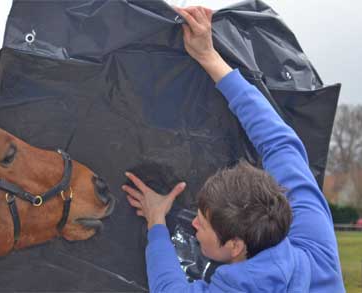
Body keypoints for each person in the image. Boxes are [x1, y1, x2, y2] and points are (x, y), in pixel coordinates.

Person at [122, 6, 344, 292]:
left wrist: (156, 224)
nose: (194, 226)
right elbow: (279, 142)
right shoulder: (315, 238)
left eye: (203, 224)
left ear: (236, 245)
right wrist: (209, 57)